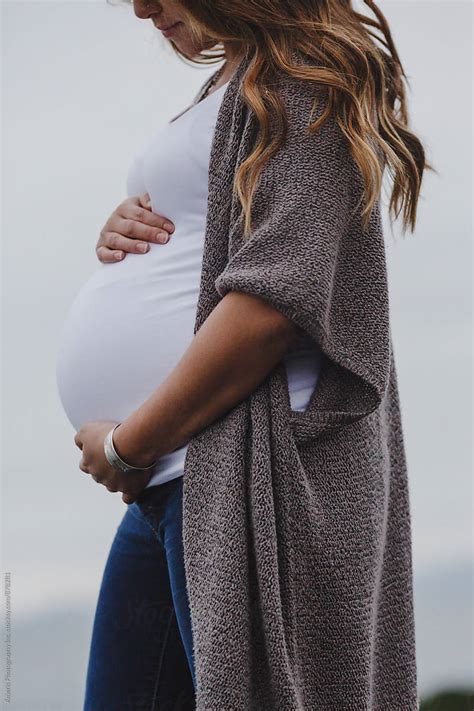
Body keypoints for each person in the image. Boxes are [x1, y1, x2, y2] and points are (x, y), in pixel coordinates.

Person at [54, 0, 429, 708]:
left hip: (240, 476)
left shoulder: (306, 77)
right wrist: (126, 234)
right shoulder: (239, 80)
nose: (140, 8)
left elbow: (273, 305)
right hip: (174, 484)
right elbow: (217, 235)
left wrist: (131, 446)